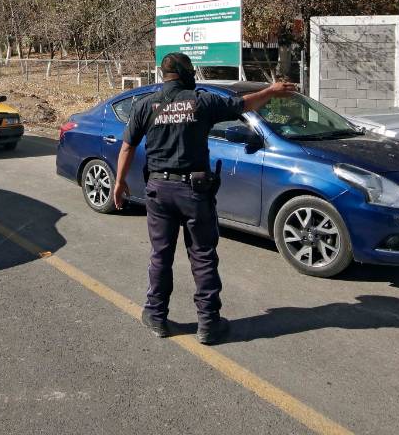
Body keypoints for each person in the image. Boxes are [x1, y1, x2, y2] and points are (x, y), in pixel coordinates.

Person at [112, 52, 297, 345]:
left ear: (163, 75)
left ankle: (156, 316)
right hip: (194, 191)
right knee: (202, 256)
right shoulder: (201, 101)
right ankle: (208, 324)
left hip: (159, 191)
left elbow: (127, 147)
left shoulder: (146, 105)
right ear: (186, 73)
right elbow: (244, 104)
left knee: (161, 255)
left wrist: (119, 182)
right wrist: (271, 91)